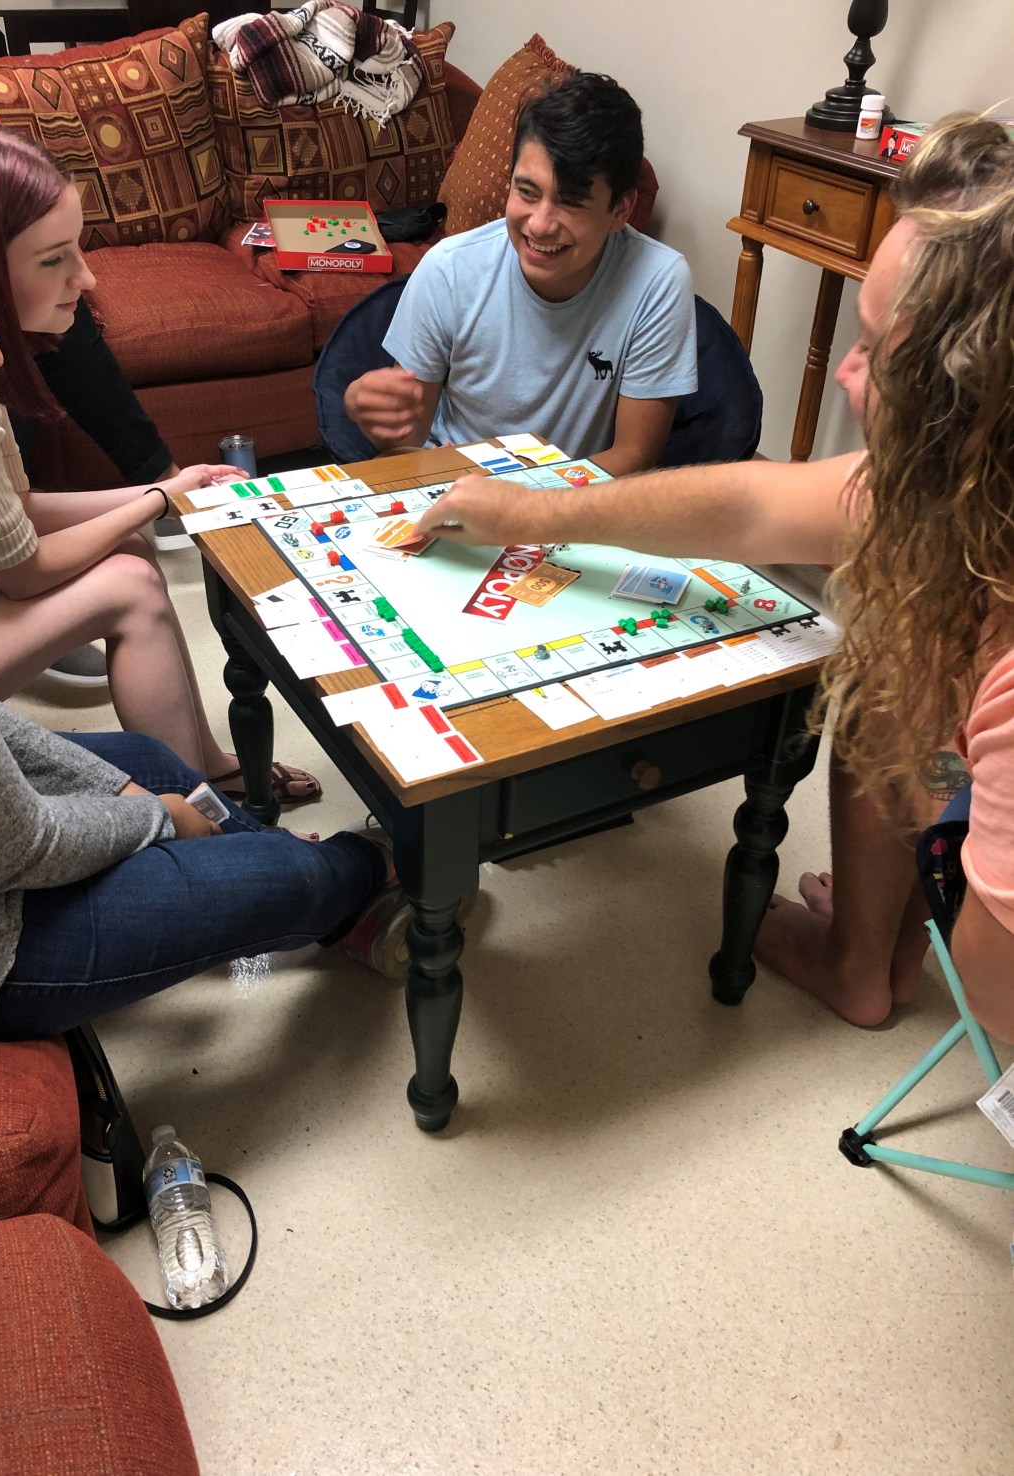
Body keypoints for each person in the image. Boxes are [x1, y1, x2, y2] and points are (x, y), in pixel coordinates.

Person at [414, 112, 1014, 1043]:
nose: (847, 372)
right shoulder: (957, 485)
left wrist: (953, 793)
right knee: (894, 672)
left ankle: (868, 954)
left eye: (877, 350)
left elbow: (995, 992)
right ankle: (876, 958)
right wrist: (526, 512)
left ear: (971, 403)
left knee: (899, 683)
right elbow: (743, 507)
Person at [0, 150, 416, 1058]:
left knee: (145, 757)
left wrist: (130, 788)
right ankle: (367, 870)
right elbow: (8, 850)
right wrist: (152, 817)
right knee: (279, 868)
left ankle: (239, 844)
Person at [0, 114, 321, 804]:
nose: (87, 277)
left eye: (79, 249)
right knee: (129, 583)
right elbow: (19, 576)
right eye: (53, 259)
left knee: (129, 545)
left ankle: (206, 765)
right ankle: (202, 800)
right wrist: (158, 499)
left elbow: (19, 510)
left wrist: (173, 490)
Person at [344, 72, 698, 476]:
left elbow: (634, 457)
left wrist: (524, 506)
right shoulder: (449, 269)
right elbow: (404, 445)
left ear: (621, 209)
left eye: (570, 203)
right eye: (527, 192)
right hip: (455, 487)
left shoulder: (658, 281)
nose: (541, 224)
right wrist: (369, 412)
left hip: (573, 504)